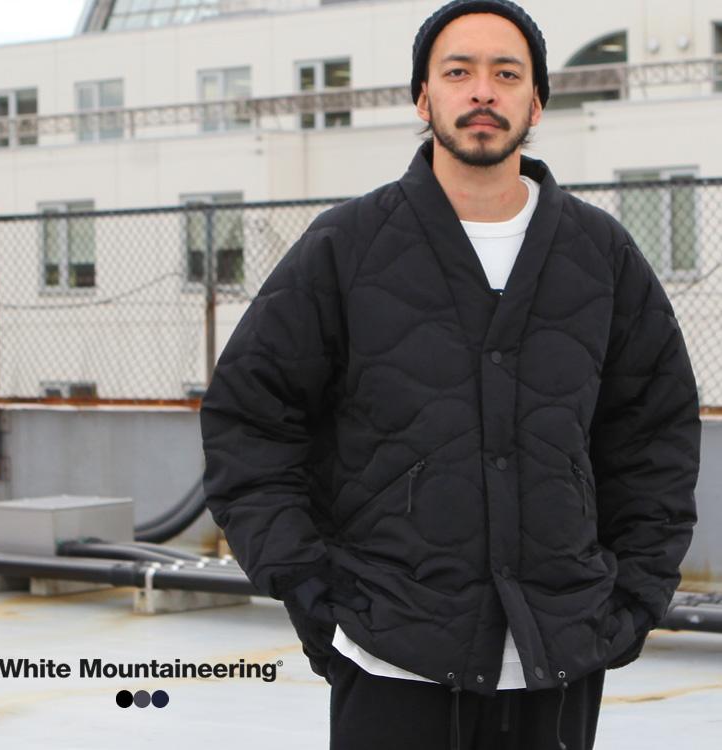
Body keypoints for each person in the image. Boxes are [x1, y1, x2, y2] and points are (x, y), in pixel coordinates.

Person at [200, 1, 701, 748]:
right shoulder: (348, 246)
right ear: (422, 97)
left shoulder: (601, 254)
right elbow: (249, 422)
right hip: (390, 656)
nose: (482, 92)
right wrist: (311, 590)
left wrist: (634, 598)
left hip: (560, 661)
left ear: (537, 102)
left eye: (507, 74)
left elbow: (654, 436)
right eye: (458, 72)